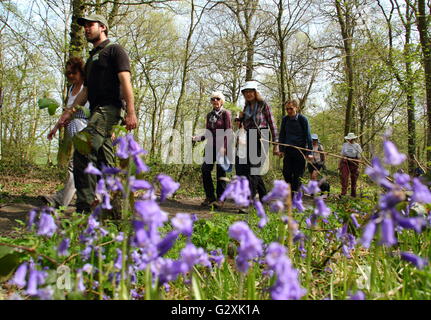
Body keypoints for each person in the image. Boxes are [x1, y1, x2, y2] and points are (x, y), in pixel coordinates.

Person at [58, 14, 137, 213]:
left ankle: (84, 210)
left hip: (108, 109)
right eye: (84, 25)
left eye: (90, 24)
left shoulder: (114, 50)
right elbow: (85, 91)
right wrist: (69, 112)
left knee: (83, 149)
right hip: (95, 112)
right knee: (106, 163)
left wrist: (131, 111)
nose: (86, 28)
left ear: (103, 27)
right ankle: (116, 212)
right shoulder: (91, 59)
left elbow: (125, 82)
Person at [42, 57, 89, 208]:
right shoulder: (70, 89)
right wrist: (56, 128)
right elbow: (67, 112)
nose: (69, 76)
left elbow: (93, 111)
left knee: (75, 165)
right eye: (67, 73)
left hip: (83, 129)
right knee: (78, 167)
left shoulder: (87, 89)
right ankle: (69, 199)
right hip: (72, 129)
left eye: (72, 73)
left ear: (80, 72)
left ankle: (61, 201)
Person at [238, 81, 279, 200]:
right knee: (251, 168)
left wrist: (276, 144)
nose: (248, 94)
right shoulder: (246, 107)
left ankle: (248, 199)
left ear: (255, 92)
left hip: (263, 136)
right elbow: (245, 125)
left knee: (254, 168)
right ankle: (264, 196)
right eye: (245, 92)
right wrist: (240, 119)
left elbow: (272, 124)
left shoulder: (263, 104)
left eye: (250, 91)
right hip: (250, 136)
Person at [193, 91, 231, 207]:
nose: (215, 101)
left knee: (221, 172)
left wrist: (225, 147)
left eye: (217, 99)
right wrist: (198, 138)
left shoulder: (226, 114)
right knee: (205, 170)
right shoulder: (209, 115)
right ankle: (210, 197)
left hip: (222, 147)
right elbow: (208, 133)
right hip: (210, 147)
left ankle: (221, 199)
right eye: (213, 99)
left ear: (222, 101)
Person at [278, 99, 313, 193]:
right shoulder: (285, 119)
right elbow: (282, 134)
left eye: (291, 109)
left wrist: (309, 152)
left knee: (298, 175)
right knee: (286, 173)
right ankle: (290, 192)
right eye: (287, 109)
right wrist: (281, 149)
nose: (289, 111)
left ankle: (295, 196)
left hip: (300, 151)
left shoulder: (302, 119)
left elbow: (308, 136)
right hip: (288, 150)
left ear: (296, 108)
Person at [339, 132, 362, 197]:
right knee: (344, 176)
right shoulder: (345, 145)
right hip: (345, 161)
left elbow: (359, 157)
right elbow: (342, 155)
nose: (350, 140)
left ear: (354, 139)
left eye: (352, 139)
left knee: (354, 177)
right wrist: (339, 164)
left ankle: (353, 194)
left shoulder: (357, 146)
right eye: (349, 139)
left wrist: (358, 165)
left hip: (354, 162)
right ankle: (343, 193)